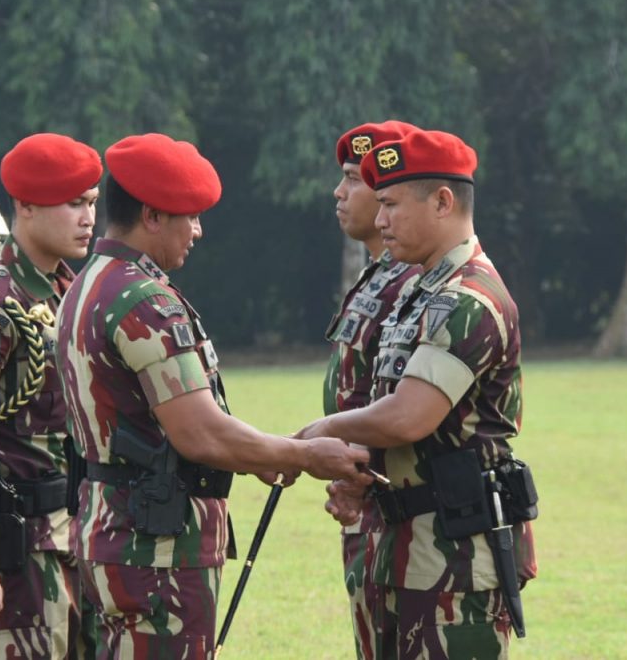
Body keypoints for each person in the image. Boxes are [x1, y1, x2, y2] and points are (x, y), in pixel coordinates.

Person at [55, 133, 371, 658]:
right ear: (152, 216)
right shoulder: (143, 300)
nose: (198, 231)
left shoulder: (88, 283)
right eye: (190, 215)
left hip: (110, 530)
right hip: (154, 548)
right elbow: (198, 430)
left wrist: (261, 456)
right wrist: (304, 454)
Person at [299, 129, 538, 659]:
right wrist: (360, 480)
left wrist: (318, 435)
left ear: (443, 202)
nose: (379, 221)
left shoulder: (469, 299)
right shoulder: (416, 291)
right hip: (403, 548)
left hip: (454, 561)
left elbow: (408, 417)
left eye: (390, 205)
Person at [0, 132, 103, 658]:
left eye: (93, 203)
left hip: (66, 536)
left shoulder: (62, 291)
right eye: (73, 203)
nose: (88, 218)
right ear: (26, 206)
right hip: (15, 548)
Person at [323, 120, 421, 659]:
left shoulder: (411, 280)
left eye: (353, 180)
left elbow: (403, 405)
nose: (340, 193)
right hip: (367, 502)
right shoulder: (379, 275)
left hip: (392, 503)